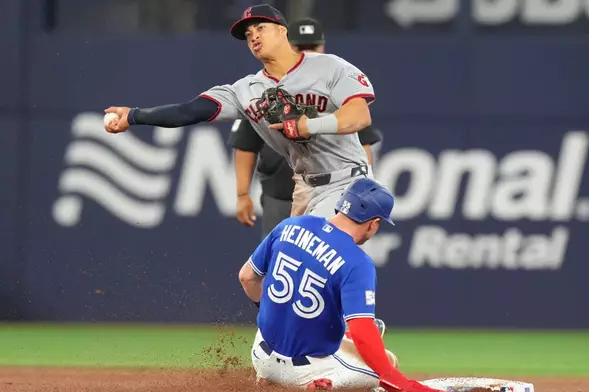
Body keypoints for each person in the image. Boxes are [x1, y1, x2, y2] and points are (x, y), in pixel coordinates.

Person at [104, 4, 378, 219]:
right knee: (253, 276)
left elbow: (359, 115)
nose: (253, 36)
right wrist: (134, 116)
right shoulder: (244, 91)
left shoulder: (330, 67)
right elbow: (189, 111)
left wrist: (308, 126)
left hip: (348, 182)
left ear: (283, 30)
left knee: (310, 263)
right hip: (306, 188)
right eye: (248, 35)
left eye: (260, 27)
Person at [238, 178, 442, 392]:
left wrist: (280, 312)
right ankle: (327, 384)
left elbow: (246, 277)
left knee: (339, 333)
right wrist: (399, 382)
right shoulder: (358, 263)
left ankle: (267, 379)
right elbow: (363, 332)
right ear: (374, 223)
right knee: (387, 361)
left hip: (261, 357)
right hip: (305, 372)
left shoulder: (291, 225)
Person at [228, 17, 383, 238]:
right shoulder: (265, 90)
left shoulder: (337, 85)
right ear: (288, 45)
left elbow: (363, 143)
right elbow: (245, 144)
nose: (309, 51)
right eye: (301, 46)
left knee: (327, 256)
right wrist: (243, 194)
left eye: (313, 46)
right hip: (280, 194)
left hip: (333, 192)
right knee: (278, 258)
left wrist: (361, 189)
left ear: (323, 46)